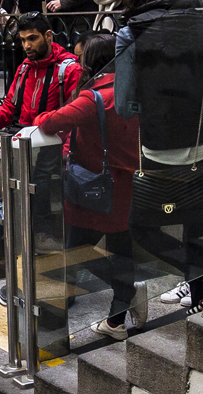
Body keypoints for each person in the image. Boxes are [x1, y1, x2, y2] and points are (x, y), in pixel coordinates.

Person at [112, 0, 203, 313]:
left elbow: (124, 106)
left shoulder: (130, 34)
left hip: (159, 148)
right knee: (199, 222)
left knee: (139, 227)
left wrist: (152, 107)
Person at [31, 34, 143, 339]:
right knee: (121, 248)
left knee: (77, 252)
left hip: (93, 190)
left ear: (90, 63)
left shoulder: (93, 98)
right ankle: (118, 315)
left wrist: (41, 116)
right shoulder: (130, 88)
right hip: (126, 183)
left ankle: (124, 298)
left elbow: (49, 122)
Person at [0, 13, 82, 131]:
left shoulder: (70, 70)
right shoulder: (24, 68)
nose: (27, 46)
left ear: (48, 35)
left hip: (53, 144)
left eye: (32, 38)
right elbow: (9, 110)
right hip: (23, 140)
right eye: (23, 40)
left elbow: (74, 120)